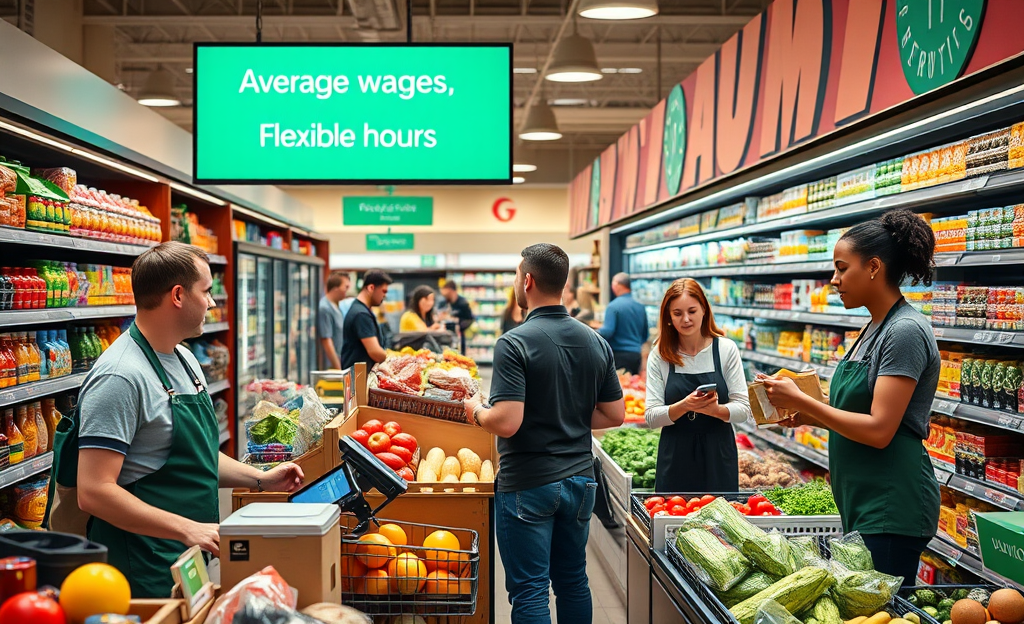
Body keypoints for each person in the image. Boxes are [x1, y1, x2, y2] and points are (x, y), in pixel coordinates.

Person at [63, 242, 304, 598]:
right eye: (206, 291)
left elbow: (195, 458)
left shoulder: (186, 360)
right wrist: (188, 529)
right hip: (141, 564)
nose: (212, 302)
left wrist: (261, 479)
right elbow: (94, 491)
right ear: (178, 295)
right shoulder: (120, 377)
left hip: (186, 555)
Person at [762, 208, 940, 583]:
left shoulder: (905, 331)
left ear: (874, 266)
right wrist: (810, 413)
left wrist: (803, 401)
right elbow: (856, 410)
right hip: (862, 499)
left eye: (842, 268)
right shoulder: (873, 327)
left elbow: (879, 429)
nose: (834, 279)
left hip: (891, 503)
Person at [463, 244, 625, 624]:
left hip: (529, 483)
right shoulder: (596, 341)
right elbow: (614, 414)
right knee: (572, 581)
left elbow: (506, 421)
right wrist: (566, 414)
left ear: (528, 280)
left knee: (531, 589)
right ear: (564, 284)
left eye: (517, 276)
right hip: (581, 481)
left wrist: (476, 411)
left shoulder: (515, 342)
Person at [644, 278, 751, 492]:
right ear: (668, 317)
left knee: (720, 522)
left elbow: (744, 410)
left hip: (719, 454)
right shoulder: (660, 355)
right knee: (675, 519)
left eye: (692, 311)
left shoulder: (725, 349)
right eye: (677, 314)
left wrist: (717, 410)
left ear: (704, 309)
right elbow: (651, 417)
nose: (686, 319)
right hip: (676, 455)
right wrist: (685, 405)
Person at [597, 273, 649, 375]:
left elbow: (608, 331)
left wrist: (591, 332)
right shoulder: (640, 307)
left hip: (619, 355)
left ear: (617, 285)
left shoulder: (613, 306)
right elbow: (645, 334)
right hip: (636, 355)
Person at [341, 269, 392, 370]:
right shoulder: (361, 314)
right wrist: (395, 359)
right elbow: (375, 352)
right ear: (371, 287)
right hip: (359, 380)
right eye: (383, 291)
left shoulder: (361, 310)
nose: (384, 295)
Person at [317, 271, 350, 369]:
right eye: (346, 287)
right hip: (331, 367)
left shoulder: (336, 306)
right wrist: (338, 368)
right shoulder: (325, 308)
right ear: (335, 289)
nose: (347, 291)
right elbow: (326, 340)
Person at [441, 280, 475, 351]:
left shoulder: (463, 303)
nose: (444, 296)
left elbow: (470, 319)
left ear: (452, 291)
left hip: (459, 337)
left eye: (447, 294)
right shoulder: (444, 303)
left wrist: (458, 324)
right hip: (445, 337)